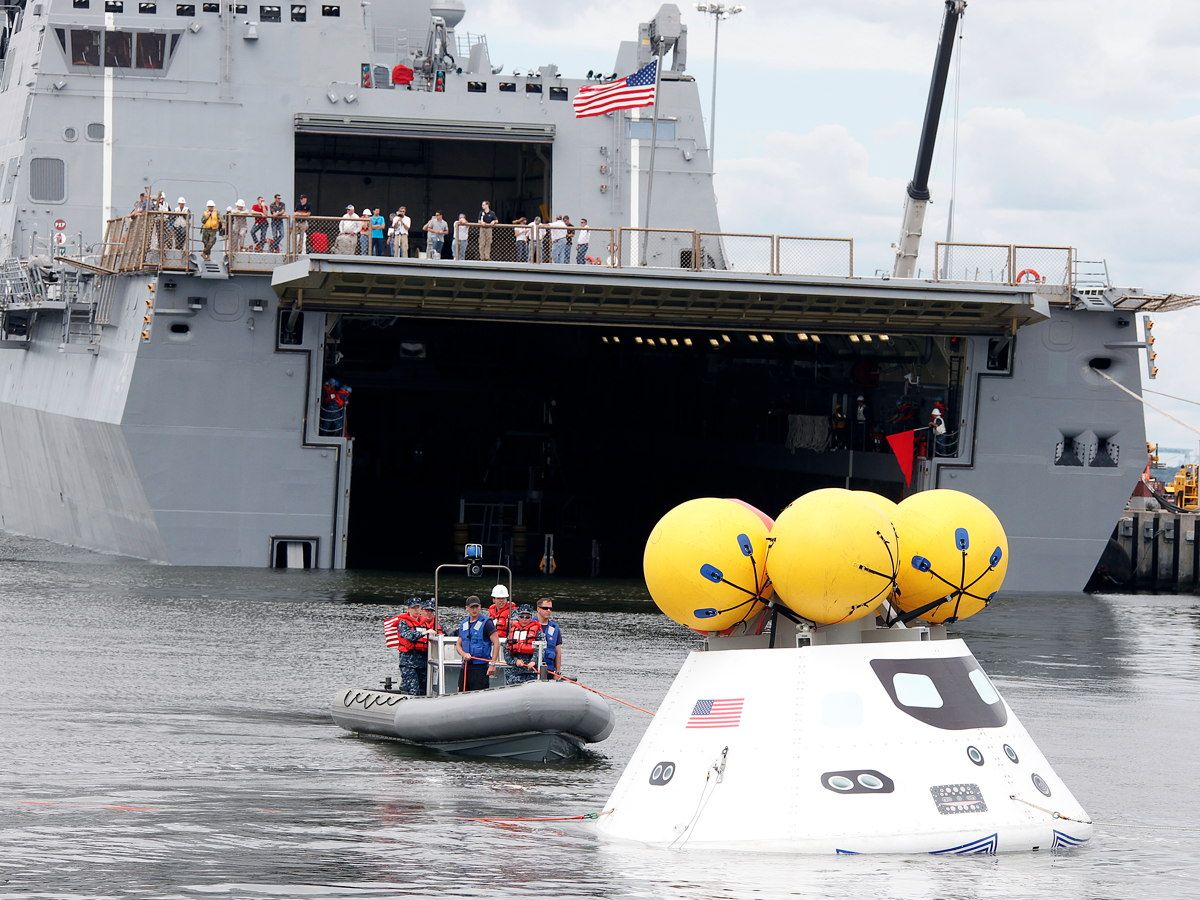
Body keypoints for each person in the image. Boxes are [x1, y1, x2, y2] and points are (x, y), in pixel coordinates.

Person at [456, 596, 498, 691]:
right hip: (466, 666)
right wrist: (464, 654)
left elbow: (496, 642)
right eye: (472, 607)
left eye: (476, 607)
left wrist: (492, 664)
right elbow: (458, 644)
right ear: (467, 608)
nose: (474, 610)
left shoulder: (487, 623)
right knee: (461, 693)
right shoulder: (464, 623)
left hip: (480, 667)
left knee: (479, 695)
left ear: (480, 607)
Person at [395, 596, 435, 696]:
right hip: (409, 663)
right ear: (408, 609)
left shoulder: (424, 623)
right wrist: (424, 632)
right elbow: (409, 635)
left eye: (418, 608)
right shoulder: (403, 622)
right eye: (413, 608)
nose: (416, 610)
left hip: (423, 662)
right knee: (413, 690)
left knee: (424, 690)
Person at [504, 604, 541, 685]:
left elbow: (541, 650)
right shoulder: (512, 631)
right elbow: (506, 651)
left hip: (531, 672)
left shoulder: (538, 633)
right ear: (518, 617)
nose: (524, 619)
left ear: (531, 618)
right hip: (513, 671)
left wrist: (533, 661)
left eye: (527, 617)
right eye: (522, 617)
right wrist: (515, 661)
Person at [535, 597, 562, 678]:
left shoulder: (555, 628)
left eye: (550, 608)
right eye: (545, 608)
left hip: (549, 669)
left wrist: (557, 672)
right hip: (533, 668)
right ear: (538, 609)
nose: (548, 610)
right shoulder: (530, 625)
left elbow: (558, 652)